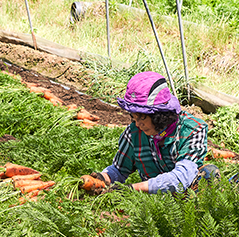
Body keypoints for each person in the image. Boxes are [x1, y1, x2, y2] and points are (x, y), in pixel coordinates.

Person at [83, 71, 218, 195]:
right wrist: (102, 178)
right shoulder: (133, 133)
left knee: (209, 173)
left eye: (142, 117)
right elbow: (119, 169)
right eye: (134, 117)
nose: (137, 124)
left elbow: (181, 178)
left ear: (159, 116)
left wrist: (131, 189)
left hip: (188, 200)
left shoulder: (192, 130)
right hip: (152, 205)